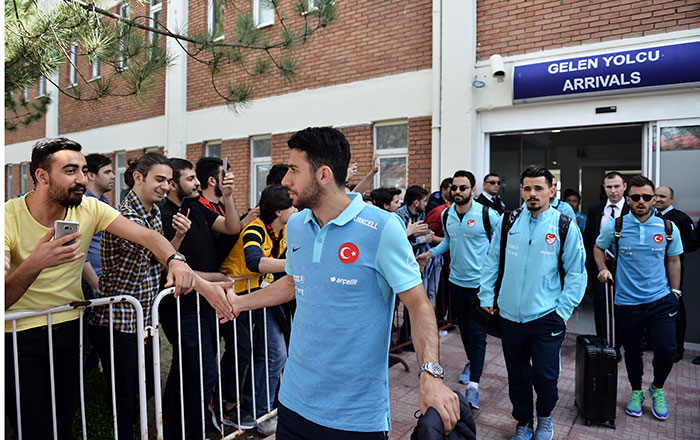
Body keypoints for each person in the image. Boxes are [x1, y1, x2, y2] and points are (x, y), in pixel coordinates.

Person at [225, 127, 459, 438]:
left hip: (355, 417)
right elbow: (295, 283)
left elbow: (418, 305)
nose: (285, 181)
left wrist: (430, 374)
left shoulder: (382, 227)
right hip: (293, 405)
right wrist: (238, 303)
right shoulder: (296, 224)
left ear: (323, 174)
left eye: (294, 170)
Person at [5, 138, 227, 440]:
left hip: (70, 328)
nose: (82, 179)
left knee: (63, 419)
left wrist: (177, 261)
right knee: (31, 423)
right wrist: (35, 263)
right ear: (42, 176)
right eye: (71, 171)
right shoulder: (8, 218)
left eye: (84, 170)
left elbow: (148, 238)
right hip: (19, 334)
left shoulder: (91, 208)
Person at [479, 166, 586, 440]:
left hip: (546, 317)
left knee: (545, 377)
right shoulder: (508, 221)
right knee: (517, 376)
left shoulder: (564, 225)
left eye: (538, 188)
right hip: (510, 316)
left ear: (552, 191)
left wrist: (563, 311)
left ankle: (546, 419)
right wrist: (487, 297)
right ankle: (524, 422)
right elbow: (492, 262)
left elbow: (576, 273)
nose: (532, 193)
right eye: (527, 188)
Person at [158, 158, 241, 439]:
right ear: (173, 185)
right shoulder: (163, 213)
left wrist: (228, 197)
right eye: (190, 178)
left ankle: (177, 429)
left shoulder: (196, 207)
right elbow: (167, 262)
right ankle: (193, 431)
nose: (197, 183)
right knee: (201, 372)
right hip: (180, 306)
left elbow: (232, 227)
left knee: (190, 371)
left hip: (204, 303)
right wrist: (212, 279)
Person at [595, 176, 682, 421]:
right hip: (627, 301)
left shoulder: (667, 227)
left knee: (666, 349)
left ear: (654, 198)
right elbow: (598, 247)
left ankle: (657, 388)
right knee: (632, 351)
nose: (641, 201)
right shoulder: (616, 226)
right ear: (628, 198)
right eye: (636, 197)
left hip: (660, 300)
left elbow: (674, 260)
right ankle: (636, 390)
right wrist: (603, 268)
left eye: (646, 196)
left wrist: (675, 292)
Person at [417, 170, 501, 410]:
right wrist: (430, 254)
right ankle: (472, 363)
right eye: (454, 188)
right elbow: (448, 241)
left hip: (480, 285)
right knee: (464, 329)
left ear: (472, 191)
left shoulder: (487, 215)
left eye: (463, 188)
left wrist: (495, 280)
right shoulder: (447, 215)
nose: (457, 192)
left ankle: (473, 386)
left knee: (477, 334)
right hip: (456, 283)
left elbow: (500, 244)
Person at [219, 184, 296, 436]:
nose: (296, 209)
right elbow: (255, 261)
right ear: (279, 211)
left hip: (262, 297)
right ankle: (246, 409)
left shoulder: (284, 231)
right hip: (235, 296)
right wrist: (294, 264)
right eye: (292, 206)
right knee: (250, 352)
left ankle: (260, 408)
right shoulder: (255, 229)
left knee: (274, 354)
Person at [583, 171, 629, 343]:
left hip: (625, 267)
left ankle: (620, 343)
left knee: (621, 307)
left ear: (624, 187)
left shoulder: (632, 210)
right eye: (609, 187)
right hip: (600, 265)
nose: (613, 190)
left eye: (617, 186)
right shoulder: (595, 210)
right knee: (601, 306)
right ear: (604, 188)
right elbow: (589, 239)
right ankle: (605, 343)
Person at [654, 185, 699, 363]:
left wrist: (672, 250)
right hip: (653, 272)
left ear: (672, 199)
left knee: (675, 309)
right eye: (656, 195)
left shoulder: (680, 218)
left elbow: (693, 243)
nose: (658, 199)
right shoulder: (651, 218)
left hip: (674, 271)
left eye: (663, 196)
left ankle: (677, 348)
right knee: (653, 308)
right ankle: (651, 342)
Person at [81, 153, 115, 372]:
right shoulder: (81, 203)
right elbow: (76, 247)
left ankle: (92, 384)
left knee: (98, 341)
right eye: (108, 172)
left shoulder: (105, 203)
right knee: (85, 341)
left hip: (103, 278)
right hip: (87, 280)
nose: (113, 176)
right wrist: (94, 282)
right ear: (91, 175)